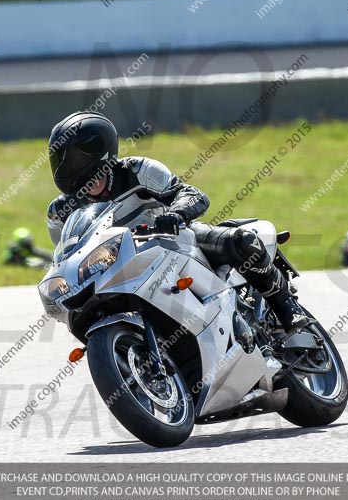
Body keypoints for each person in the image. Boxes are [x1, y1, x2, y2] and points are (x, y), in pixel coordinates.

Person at [45, 111, 310, 334]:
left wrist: (176, 215)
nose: (69, 167)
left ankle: (286, 309)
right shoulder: (61, 211)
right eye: (62, 159)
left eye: (74, 158)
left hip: (175, 240)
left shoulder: (136, 171)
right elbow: (68, 254)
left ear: (101, 155)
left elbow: (193, 194)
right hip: (121, 264)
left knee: (241, 241)